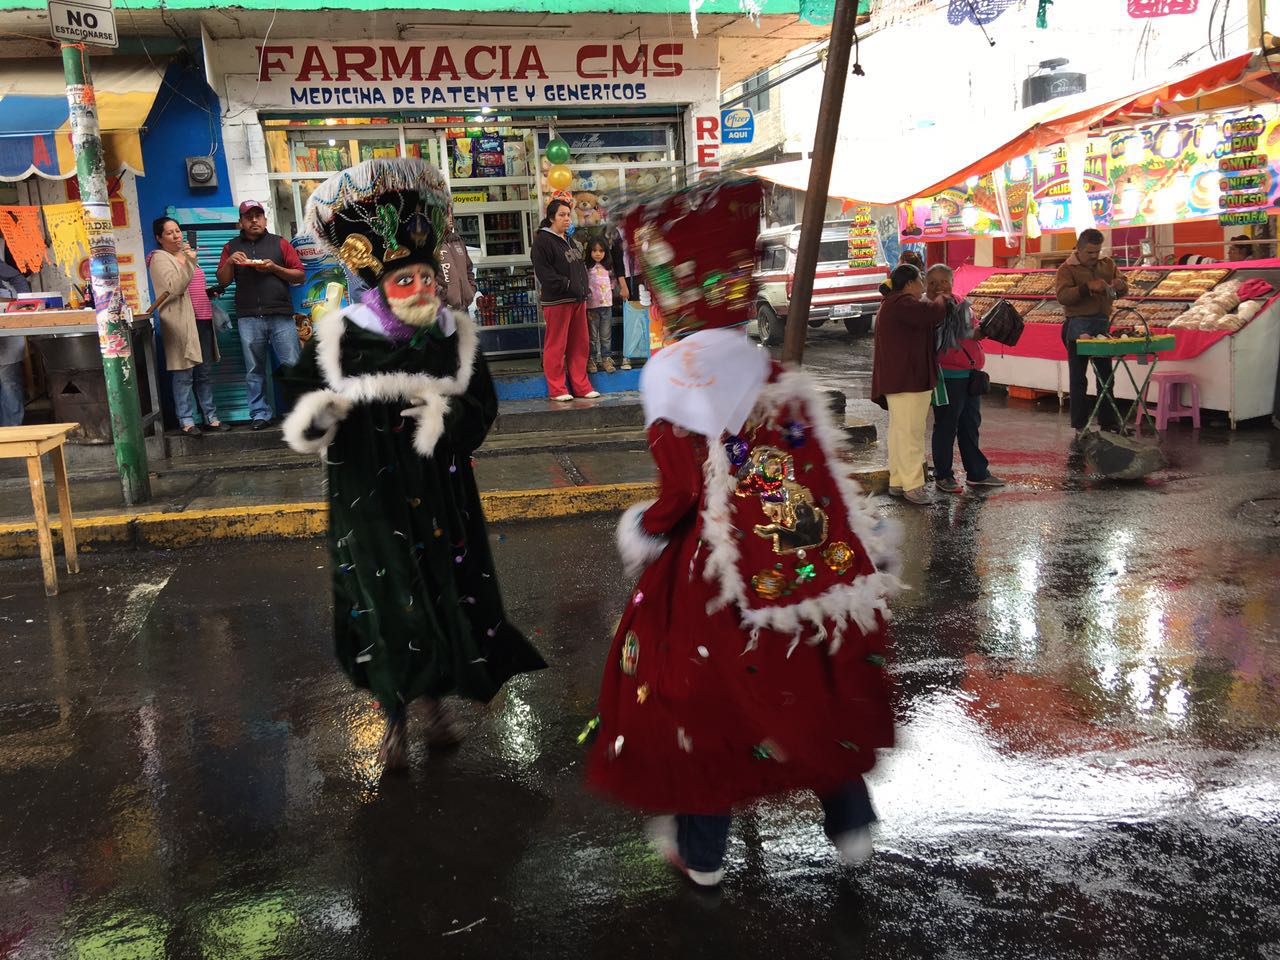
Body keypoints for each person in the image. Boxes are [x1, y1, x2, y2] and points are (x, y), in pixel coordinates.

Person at [585, 176, 901, 888]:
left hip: (713, 568)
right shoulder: (769, 365)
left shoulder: (669, 370)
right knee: (808, 686)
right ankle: (851, 824)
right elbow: (812, 472)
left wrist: (645, 530)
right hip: (800, 557)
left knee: (704, 698)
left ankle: (702, 852)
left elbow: (680, 491)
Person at [279, 158, 546, 772]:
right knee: (387, 602)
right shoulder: (340, 338)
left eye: (429, 276)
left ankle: (432, 705)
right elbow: (298, 405)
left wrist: (444, 418)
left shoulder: (454, 336)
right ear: (379, 285)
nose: (424, 288)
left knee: (443, 598)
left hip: (442, 499)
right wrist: (323, 414)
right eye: (408, 280)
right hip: (368, 503)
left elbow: (481, 408)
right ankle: (397, 717)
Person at [216, 200, 305, 430]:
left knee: (292, 365)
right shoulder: (231, 247)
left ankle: (301, 413)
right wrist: (229, 262)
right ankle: (260, 414)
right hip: (248, 317)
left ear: (265, 219)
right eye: (249, 217)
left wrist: (274, 268)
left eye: (258, 216)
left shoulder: (280, 243)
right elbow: (223, 281)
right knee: (254, 369)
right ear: (241, 222)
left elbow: (299, 275)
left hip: (281, 315)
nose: (254, 220)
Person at [870, 263, 946, 505]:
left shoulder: (892, 304)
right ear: (910, 283)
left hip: (899, 380)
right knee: (911, 434)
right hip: (908, 381)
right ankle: (913, 486)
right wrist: (943, 298)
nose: (923, 285)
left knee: (900, 433)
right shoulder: (903, 304)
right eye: (921, 280)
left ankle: (899, 481)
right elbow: (931, 314)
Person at [926, 264, 1004, 493]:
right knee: (946, 426)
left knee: (970, 425)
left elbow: (974, 329)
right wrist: (978, 331)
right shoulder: (928, 307)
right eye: (933, 282)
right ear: (926, 284)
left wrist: (987, 327)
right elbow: (960, 333)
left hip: (970, 374)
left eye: (944, 281)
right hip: (947, 376)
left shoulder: (961, 302)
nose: (939, 286)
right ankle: (943, 475)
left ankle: (977, 473)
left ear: (952, 282)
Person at [148, 217, 228, 436]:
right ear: (159, 238)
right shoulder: (159, 258)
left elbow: (193, 286)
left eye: (177, 230)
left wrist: (209, 292)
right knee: (184, 374)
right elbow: (176, 287)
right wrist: (190, 262)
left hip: (202, 319)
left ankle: (210, 418)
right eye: (169, 233)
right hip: (181, 324)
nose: (176, 236)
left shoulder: (187, 255)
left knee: (204, 373)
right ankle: (186, 421)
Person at [1055, 228, 1127, 441]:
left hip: (1102, 325)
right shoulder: (1067, 269)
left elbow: (1123, 287)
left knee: (1106, 376)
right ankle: (1080, 425)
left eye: (1097, 251)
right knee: (1078, 378)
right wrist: (1087, 288)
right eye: (1090, 252)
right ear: (1079, 249)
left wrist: (1121, 285)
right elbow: (1062, 296)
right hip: (1077, 325)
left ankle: (1108, 422)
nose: (1094, 256)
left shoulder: (1108, 264)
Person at [531, 199, 597, 402]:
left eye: (568, 214)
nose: (567, 218)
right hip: (558, 301)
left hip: (578, 300)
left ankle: (581, 386)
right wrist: (567, 284)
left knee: (580, 345)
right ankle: (557, 389)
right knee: (556, 346)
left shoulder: (569, 239)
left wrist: (582, 289)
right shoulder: (543, 241)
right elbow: (545, 274)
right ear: (551, 218)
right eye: (562, 215)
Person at [0, 258, 31, 427]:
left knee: (8, 383)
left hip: (5, 327)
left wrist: (25, 304)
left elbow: (17, 278)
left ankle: (12, 432)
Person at [585, 237, 620, 374]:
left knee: (606, 336)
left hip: (606, 306)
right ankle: (591, 359)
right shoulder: (587, 268)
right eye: (594, 251)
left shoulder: (609, 268)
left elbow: (613, 282)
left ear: (606, 252)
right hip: (591, 307)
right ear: (589, 252)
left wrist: (609, 290)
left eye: (601, 251)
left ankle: (606, 359)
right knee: (592, 337)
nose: (598, 254)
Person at [438, 211, 477, 313]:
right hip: (444, 310)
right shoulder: (433, 244)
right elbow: (428, 275)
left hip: (464, 309)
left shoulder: (458, 241)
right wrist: (444, 296)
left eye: (452, 214)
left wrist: (471, 290)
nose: (451, 217)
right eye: (447, 214)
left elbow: (469, 269)